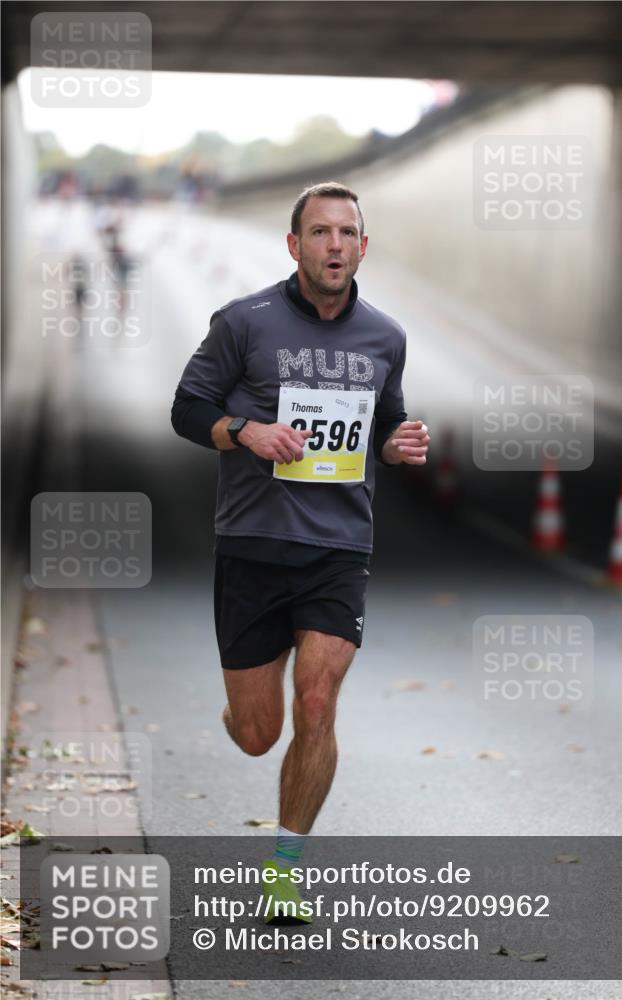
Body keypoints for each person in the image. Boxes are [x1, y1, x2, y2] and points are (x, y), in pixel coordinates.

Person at [171, 181, 430, 921]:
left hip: (338, 548)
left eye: (346, 233)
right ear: (294, 245)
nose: (334, 246)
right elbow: (187, 409)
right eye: (319, 232)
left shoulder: (385, 337)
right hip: (253, 543)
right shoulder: (243, 322)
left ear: (362, 247)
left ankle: (284, 875)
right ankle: (239, 713)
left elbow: (384, 423)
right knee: (259, 735)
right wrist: (244, 432)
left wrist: (397, 444)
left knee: (317, 701)